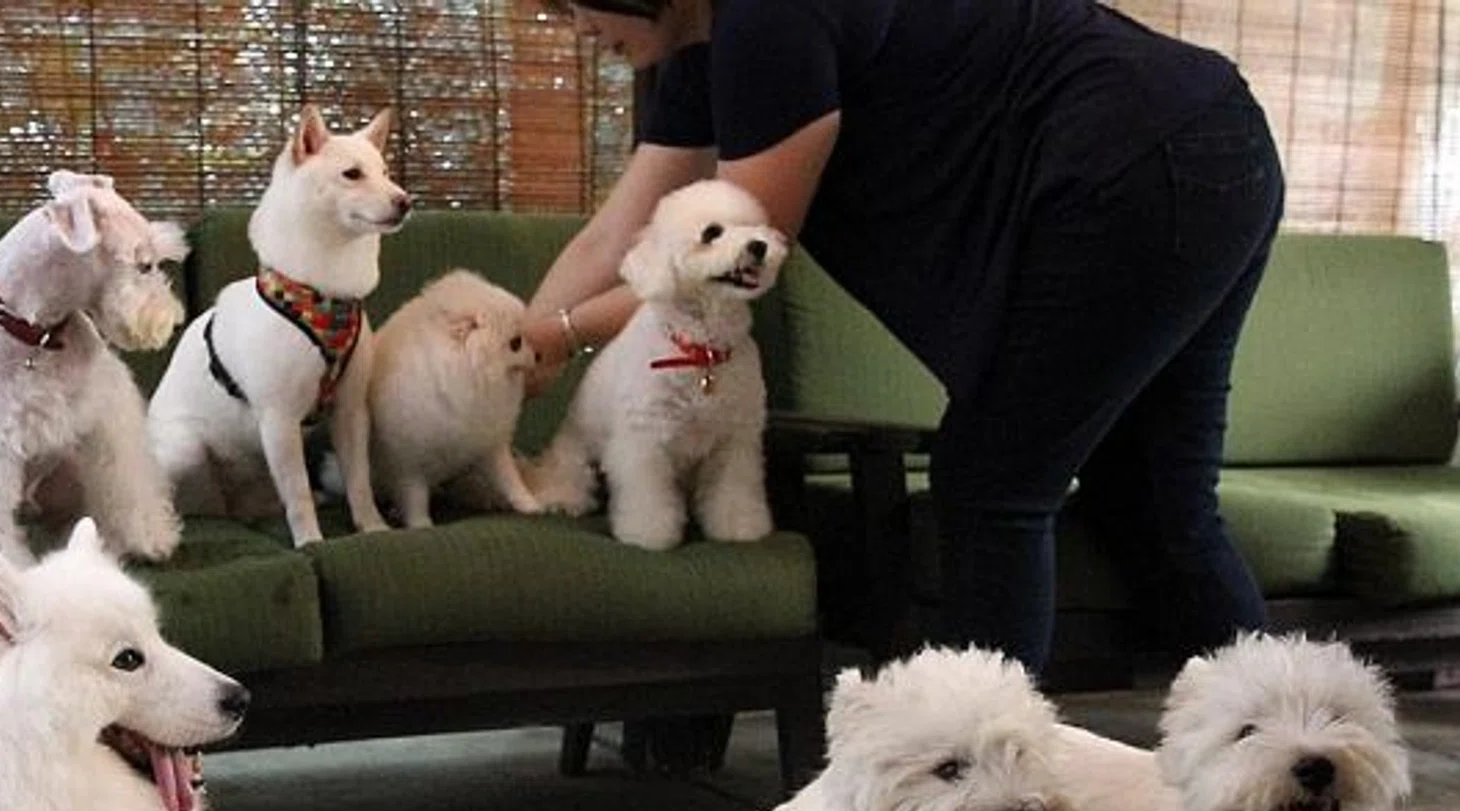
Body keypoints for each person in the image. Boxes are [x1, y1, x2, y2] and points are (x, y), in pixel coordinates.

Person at [523, 0, 1285, 677]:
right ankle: (1303, 792)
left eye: (570, 6)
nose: (578, 30)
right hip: (1211, 137)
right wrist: (518, 345)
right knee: (1155, 503)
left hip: (1134, 162)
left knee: (994, 484)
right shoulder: (707, 51)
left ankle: (989, 809)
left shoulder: (767, 20)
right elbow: (611, 238)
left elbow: (743, 255)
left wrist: (558, 336)